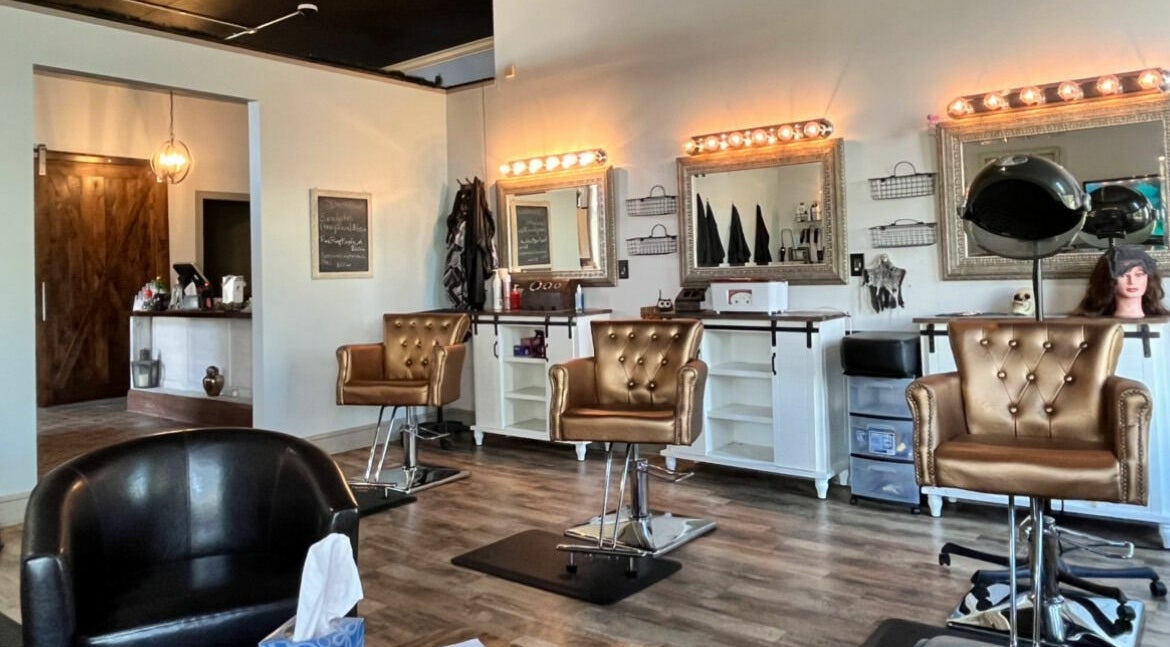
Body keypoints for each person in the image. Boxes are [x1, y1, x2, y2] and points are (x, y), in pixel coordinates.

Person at [1071, 245, 1169, 318]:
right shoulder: (1087, 324)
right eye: (1123, 275)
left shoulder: (1166, 323)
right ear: (1108, 279)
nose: (1132, 281)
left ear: (1149, 278)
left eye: (1139, 275)